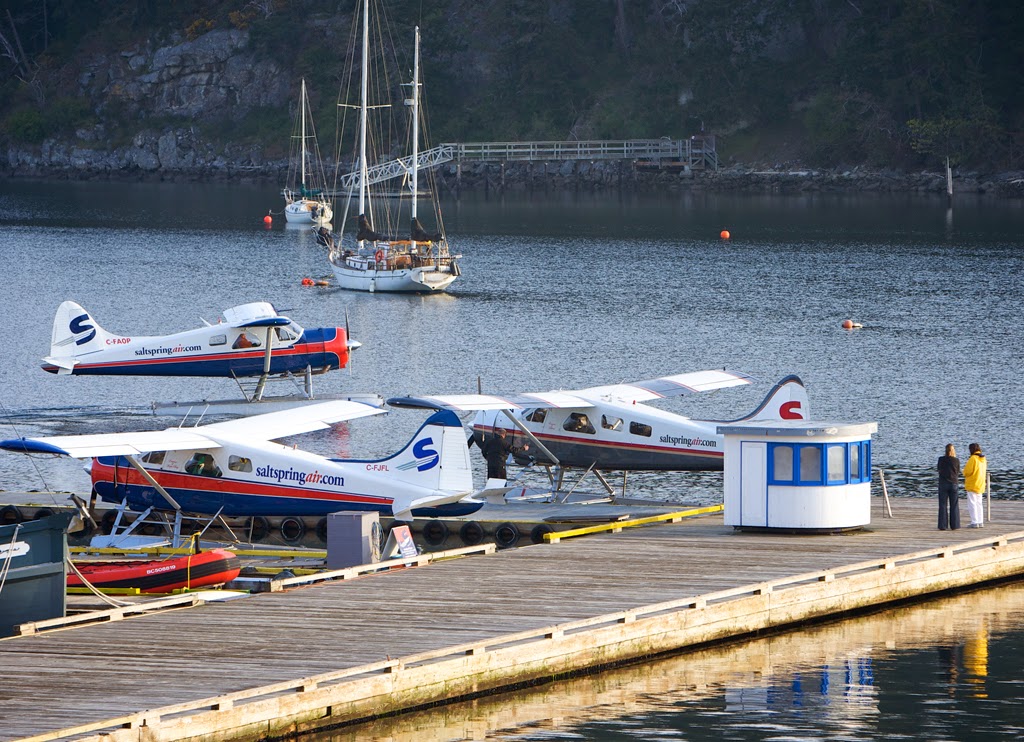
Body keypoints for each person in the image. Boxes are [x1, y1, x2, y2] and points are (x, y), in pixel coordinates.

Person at [963, 442, 987, 528]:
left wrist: (964, 472)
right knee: (979, 503)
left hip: (972, 483)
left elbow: (967, 471)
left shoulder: (973, 458)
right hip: (980, 483)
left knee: (972, 503)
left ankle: (974, 521)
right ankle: (980, 521)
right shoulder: (983, 459)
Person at [937, 443, 960, 530]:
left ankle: (943, 525)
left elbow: (939, 469)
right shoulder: (956, 460)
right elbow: (957, 471)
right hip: (953, 483)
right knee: (954, 505)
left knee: (943, 505)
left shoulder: (941, 459)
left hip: (943, 483)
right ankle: (955, 525)